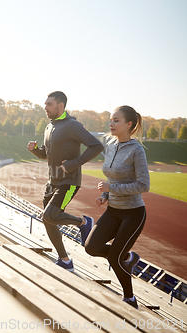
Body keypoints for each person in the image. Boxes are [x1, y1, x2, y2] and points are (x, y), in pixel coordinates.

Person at [27, 91, 104, 272]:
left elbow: (96, 145)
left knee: (50, 215)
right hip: (51, 182)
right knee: (49, 220)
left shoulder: (72, 125)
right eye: (45, 104)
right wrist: (35, 150)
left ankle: (84, 223)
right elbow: (46, 154)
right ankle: (65, 261)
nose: (45, 107)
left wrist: (73, 164)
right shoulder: (49, 127)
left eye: (49, 104)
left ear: (61, 106)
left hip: (68, 182)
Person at [85, 106, 149, 310]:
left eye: (116, 120)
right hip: (113, 210)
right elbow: (112, 177)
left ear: (129, 124)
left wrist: (112, 188)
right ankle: (128, 259)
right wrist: (105, 195)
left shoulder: (136, 150)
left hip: (133, 214)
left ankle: (130, 299)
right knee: (91, 247)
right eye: (111, 120)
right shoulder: (111, 146)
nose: (111, 124)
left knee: (114, 257)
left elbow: (143, 185)